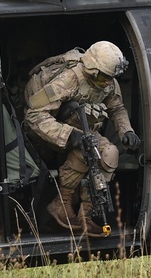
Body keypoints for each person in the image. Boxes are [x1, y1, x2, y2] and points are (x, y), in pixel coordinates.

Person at [24, 41, 140, 236]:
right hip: (48, 133)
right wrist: (68, 135)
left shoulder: (108, 80)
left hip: (81, 131)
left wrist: (127, 132)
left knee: (110, 153)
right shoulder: (69, 79)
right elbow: (34, 116)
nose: (109, 83)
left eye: (112, 78)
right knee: (84, 149)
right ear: (93, 71)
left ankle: (85, 214)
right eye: (105, 78)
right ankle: (61, 204)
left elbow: (116, 108)